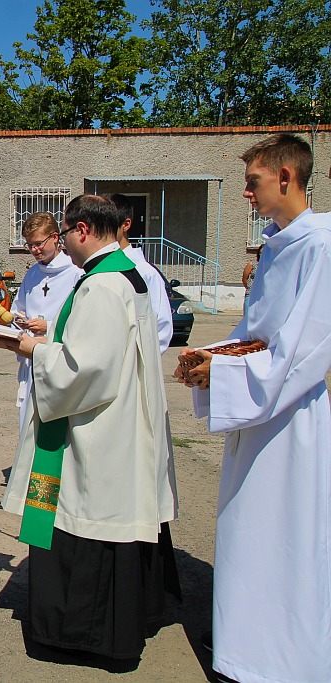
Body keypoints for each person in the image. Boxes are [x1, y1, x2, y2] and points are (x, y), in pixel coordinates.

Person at [0, 194, 179, 664]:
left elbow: (85, 371)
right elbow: (101, 346)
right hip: (124, 419)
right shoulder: (127, 275)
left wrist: (33, 350)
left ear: (82, 230)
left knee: (83, 522)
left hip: (98, 428)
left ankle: (80, 634)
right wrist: (50, 336)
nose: (65, 244)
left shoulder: (101, 286)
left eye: (67, 233)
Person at [175, 133, 331, 682]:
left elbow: (304, 349)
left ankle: (282, 657)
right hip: (258, 411)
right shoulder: (276, 243)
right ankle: (244, 636)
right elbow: (252, 332)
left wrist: (227, 370)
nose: (245, 192)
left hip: (291, 416)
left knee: (283, 532)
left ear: (287, 177)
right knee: (245, 527)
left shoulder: (321, 245)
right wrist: (207, 356)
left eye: (253, 180)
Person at [9, 212, 82, 426]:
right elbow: (18, 309)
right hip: (31, 360)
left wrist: (48, 326)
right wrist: (19, 320)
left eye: (39, 243)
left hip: (58, 360)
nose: (34, 250)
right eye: (30, 245)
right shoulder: (32, 274)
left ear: (55, 237)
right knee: (28, 423)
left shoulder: (76, 273)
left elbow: (81, 320)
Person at [108, 193, 173, 353]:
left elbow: (161, 328)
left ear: (126, 224)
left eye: (108, 224)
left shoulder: (145, 273)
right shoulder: (90, 270)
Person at [240, 243, 262, 314]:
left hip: (262, 296)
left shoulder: (269, 266)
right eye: (261, 252)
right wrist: (250, 287)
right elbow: (244, 279)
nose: (262, 254)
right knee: (247, 317)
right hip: (251, 294)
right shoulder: (252, 264)